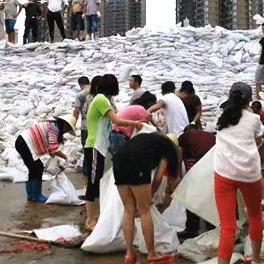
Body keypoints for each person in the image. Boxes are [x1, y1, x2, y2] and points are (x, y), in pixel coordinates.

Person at [83, 74, 145, 231]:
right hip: (95, 146)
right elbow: (116, 120)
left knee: (95, 181)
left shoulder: (103, 100)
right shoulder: (101, 100)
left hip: (99, 146)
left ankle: (94, 218)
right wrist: (135, 123)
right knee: (93, 183)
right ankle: (90, 220)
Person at [213, 82, 263, 264]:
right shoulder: (254, 119)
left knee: (227, 227)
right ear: (248, 101)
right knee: (255, 215)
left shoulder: (220, 116)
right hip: (250, 175)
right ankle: (256, 258)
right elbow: (258, 135)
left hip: (224, 174)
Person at [114, 133, 182, 264]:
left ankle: (129, 253)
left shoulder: (148, 139)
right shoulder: (167, 148)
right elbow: (157, 178)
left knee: (128, 209)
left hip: (118, 160)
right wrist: (149, 196)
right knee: (144, 210)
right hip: (137, 162)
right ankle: (152, 254)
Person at [16, 114, 76, 202]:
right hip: (24, 143)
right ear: (65, 124)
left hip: (22, 143)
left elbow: (50, 146)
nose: (66, 131)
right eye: (67, 129)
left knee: (34, 168)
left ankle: (32, 195)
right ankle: (36, 195)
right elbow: (53, 148)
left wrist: (55, 157)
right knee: (37, 167)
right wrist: (65, 157)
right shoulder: (54, 128)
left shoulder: (53, 126)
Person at [178, 124, 216, 238]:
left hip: (205, 164)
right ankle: (212, 228)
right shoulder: (209, 137)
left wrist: (180, 179)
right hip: (215, 165)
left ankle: (192, 229)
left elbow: (179, 160)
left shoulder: (184, 139)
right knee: (211, 198)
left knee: (193, 198)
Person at [72, 76, 92, 146]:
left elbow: (76, 111)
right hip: (97, 123)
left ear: (80, 84)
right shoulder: (97, 92)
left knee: (86, 145)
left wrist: (72, 124)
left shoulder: (79, 95)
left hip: (85, 124)